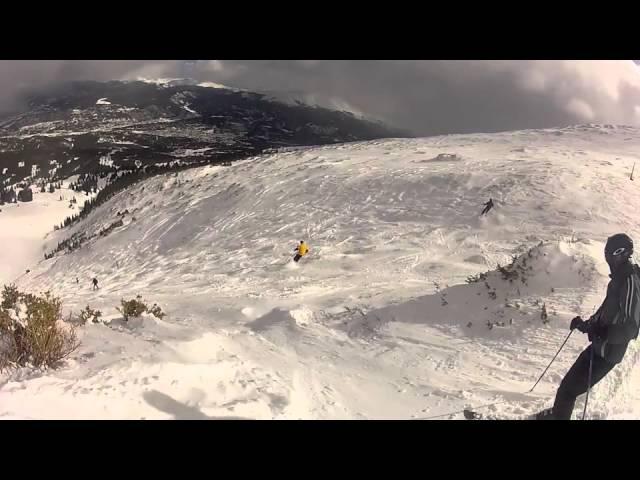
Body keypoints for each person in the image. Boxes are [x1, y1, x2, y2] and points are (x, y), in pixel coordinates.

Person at [538, 233, 640, 420]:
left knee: (568, 391)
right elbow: (606, 313)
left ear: (622, 254)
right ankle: (558, 414)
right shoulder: (619, 280)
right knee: (567, 388)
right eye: (606, 254)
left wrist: (603, 332)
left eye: (611, 254)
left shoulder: (630, 281)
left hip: (608, 353)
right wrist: (586, 325)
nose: (608, 258)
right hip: (599, 347)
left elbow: (631, 327)